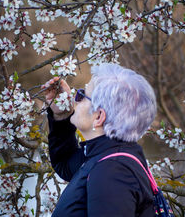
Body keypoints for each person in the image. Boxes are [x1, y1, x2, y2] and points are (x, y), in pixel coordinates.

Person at [42, 63, 157, 217]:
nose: (75, 100)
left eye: (82, 95)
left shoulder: (113, 171)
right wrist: (61, 116)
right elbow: (65, 165)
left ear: (99, 117)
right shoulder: (108, 154)